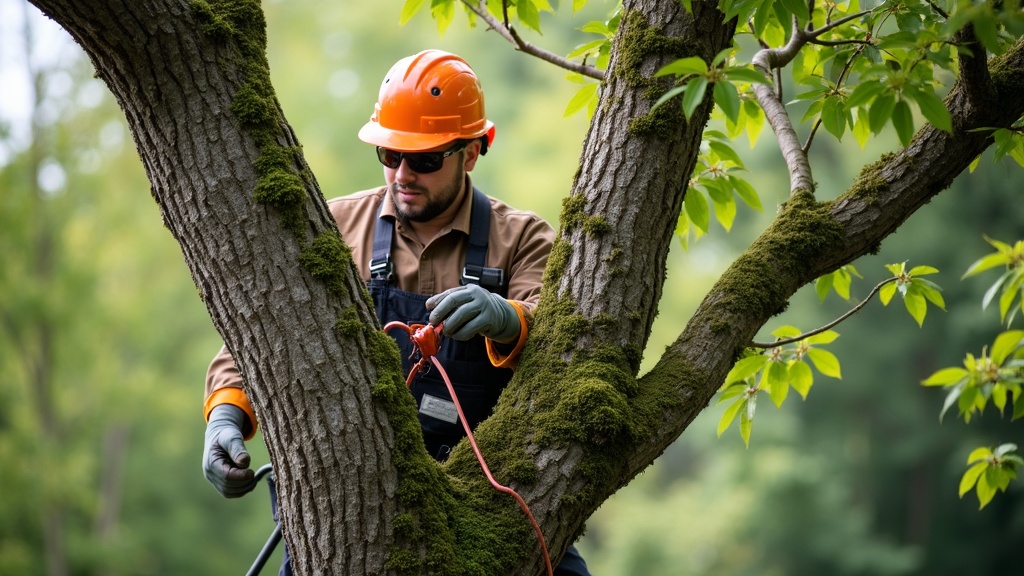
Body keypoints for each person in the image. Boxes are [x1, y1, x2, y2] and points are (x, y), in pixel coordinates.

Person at [201, 49, 590, 575]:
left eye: (424, 160)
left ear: (471, 152)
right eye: (390, 154)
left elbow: (565, 343)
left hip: (490, 506)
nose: (403, 174)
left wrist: (511, 320)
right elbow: (261, 334)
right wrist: (227, 413)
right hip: (346, 513)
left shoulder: (521, 239)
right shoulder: (333, 229)